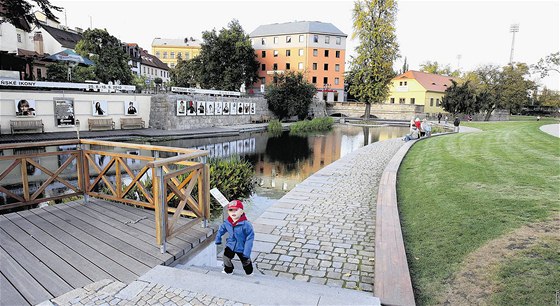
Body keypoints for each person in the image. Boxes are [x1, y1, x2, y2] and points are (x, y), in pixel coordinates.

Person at [215, 200, 254, 275]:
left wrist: (247, 251)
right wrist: (218, 238)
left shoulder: (246, 225)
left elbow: (250, 238)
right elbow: (221, 230)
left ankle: (249, 272)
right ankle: (228, 270)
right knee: (226, 257)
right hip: (231, 245)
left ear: (241, 211)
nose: (233, 212)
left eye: (236, 210)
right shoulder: (227, 222)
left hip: (242, 246)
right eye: (231, 210)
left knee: (245, 261)